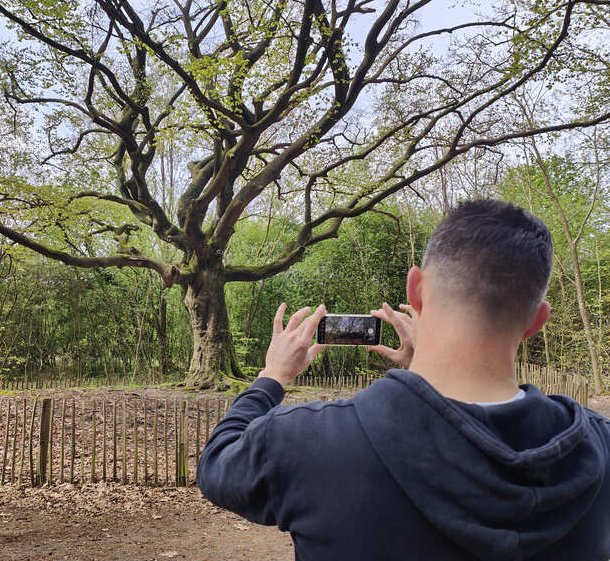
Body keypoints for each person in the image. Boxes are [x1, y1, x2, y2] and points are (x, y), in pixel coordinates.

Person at [197, 199, 610, 560]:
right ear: (537, 321)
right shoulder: (599, 446)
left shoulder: (305, 441)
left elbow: (218, 465)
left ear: (416, 290)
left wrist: (273, 376)